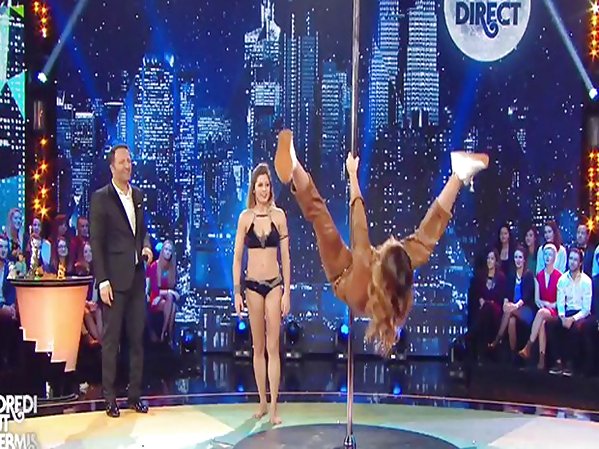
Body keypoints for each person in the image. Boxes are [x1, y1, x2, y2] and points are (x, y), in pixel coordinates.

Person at [274, 129, 489, 353]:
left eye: (389, 245)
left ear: (380, 263)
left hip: (344, 277)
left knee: (321, 218)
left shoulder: (365, 263)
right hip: (378, 284)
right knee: (422, 246)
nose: (392, 239)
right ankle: (458, 175)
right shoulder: (402, 287)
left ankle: (295, 166)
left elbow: (358, 222)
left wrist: (352, 174)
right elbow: (423, 241)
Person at [90, 144, 154, 418]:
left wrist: (146, 246)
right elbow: (97, 242)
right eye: (122, 162)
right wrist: (102, 281)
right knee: (112, 341)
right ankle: (109, 398)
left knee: (137, 339)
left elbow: (142, 231)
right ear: (112, 167)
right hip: (114, 281)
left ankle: (135, 396)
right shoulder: (101, 198)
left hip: (137, 277)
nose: (128, 165)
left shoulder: (138, 195)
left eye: (129, 161)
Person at [233, 163, 291, 426]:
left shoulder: (280, 216)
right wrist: (237, 292)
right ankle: (262, 402)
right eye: (260, 185)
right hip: (252, 286)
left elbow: (286, 257)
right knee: (258, 348)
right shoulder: (245, 218)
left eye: (267, 185)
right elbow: (237, 258)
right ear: (253, 189)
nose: (264, 189)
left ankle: (275, 407)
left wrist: (287, 292)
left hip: (275, 284)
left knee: (273, 347)